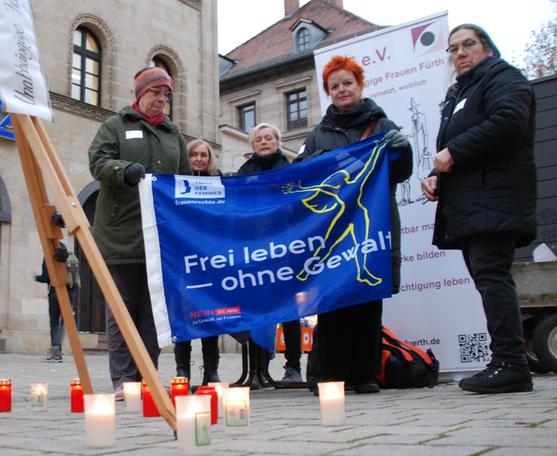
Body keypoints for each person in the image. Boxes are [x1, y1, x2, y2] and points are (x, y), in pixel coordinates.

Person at [421, 24, 536, 394]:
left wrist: (452, 153)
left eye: (468, 44)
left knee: (492, 276)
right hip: (473, 202)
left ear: (487, 47)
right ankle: (504, 360)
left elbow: (508, 121)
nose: (460, 53)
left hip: (496, 198)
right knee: (487, 279)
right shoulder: (459, 94)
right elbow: (456, 146)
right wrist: (435, 175)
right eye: (453, 49)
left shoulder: (503, 77)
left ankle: (511, 364)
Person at [297, 55, 412, 393]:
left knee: (366, 297)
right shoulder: (318, 134)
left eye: (347, 83)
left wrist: (402, 151)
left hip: (371, 226)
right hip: (332, 232)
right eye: (335, 86)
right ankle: (328, 375)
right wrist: (313, 163)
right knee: (332, 302)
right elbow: (301, 178)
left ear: (360, 86)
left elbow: (401, 173)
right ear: (328, 93)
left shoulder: (383, 126)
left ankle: (363, 374)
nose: (342, 89)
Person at [88, 66, 192, 398]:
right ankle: (123, 380)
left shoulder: (173, 135)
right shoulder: (115, 126)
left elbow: (185, 181)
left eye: (166, 94)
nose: (161, 100)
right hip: (119, 236)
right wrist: (122, 170)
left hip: (158, 241)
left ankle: (147, 376)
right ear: (140, 94)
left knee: (152, 315)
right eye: (155, 93)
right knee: (122, 312)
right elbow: (98, 160)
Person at [236, 123, 303, 385]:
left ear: (277, 142)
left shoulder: (289, 169)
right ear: (253, 145)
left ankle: (293, 366)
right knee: (255, 308)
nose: (264, 142)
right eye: (258, 139)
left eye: (269, 138)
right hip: (254, 251)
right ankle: (256, 370)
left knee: (289, 310)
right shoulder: (244, 172)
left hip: (285, 249)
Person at [174, 139, 222, 386]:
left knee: (209, 315)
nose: (199, 159)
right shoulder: (174, 182)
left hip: (211, 259)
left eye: (203, 155)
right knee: (182, 316)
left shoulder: (219, 181)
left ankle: (211, 371)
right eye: (194, 155)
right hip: (183, 258)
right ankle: (182, 369)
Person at [35, 243, 80, 363]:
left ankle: (56, 350)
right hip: (70, 293)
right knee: (63, 322)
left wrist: (35, 277)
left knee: (54, 321)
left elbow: (45, 277)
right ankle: (57, 350)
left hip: (55, 292)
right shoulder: (70, 256)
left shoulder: (49, 257)